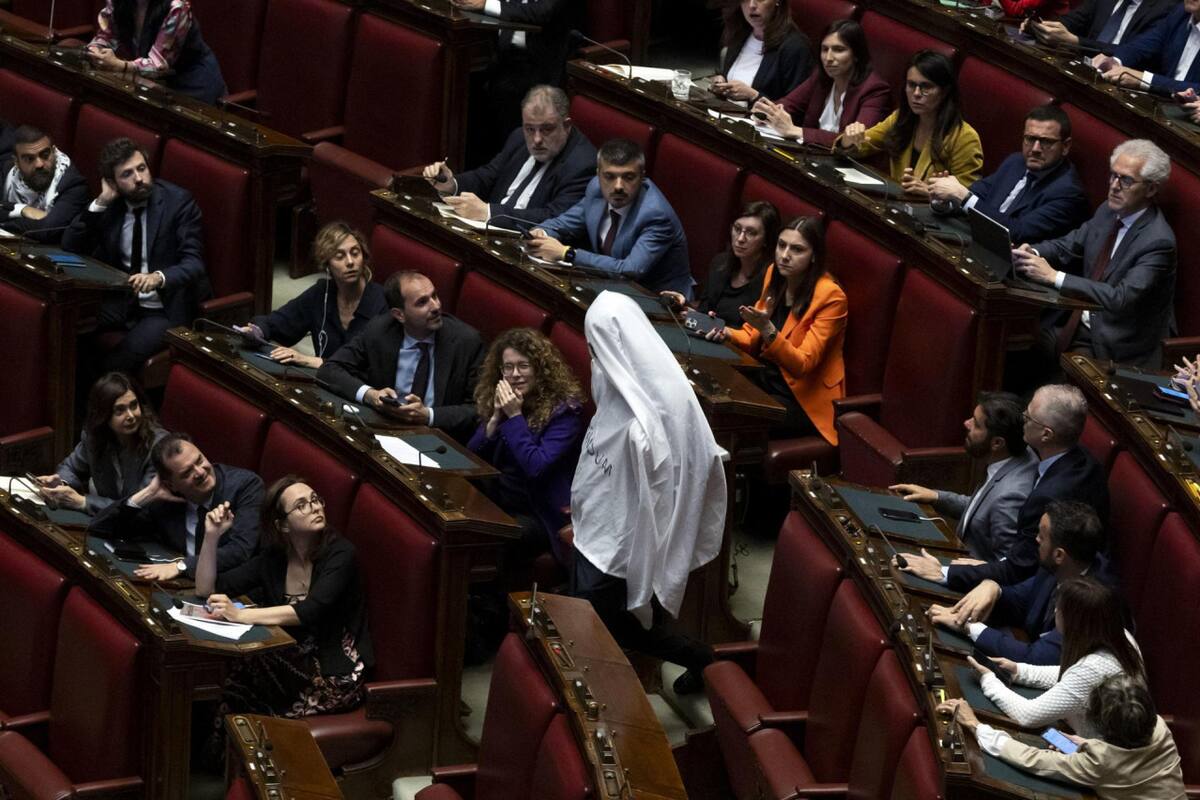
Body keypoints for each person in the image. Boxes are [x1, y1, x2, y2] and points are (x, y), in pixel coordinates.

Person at [569, 291, 727, 694]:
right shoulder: (617, 376)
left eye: (595, 344)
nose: (592, 354)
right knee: (605, 628)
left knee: (617, 632)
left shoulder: (648, 422)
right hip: (593, 531)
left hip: (617, 549)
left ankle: (706, 665)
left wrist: (642, 573)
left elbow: (653, 505)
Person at [196, 475, 372, 718]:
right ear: (283, 525)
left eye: (315, 499)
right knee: (225, 691)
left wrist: (241, 615)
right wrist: (212, 536)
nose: (315, 507)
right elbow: (207, 589)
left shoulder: (341, 553)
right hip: (289, 662)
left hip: (332, 674)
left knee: (236, 689)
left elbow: (310, 610)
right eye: (302, 505)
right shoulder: (275, 558)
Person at [1013, 139, 1175, 370]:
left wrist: (1053, 276)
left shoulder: (1159, 242)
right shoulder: (1108, 211)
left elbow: (1120, 298)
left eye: (1126, 180)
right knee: (1012, 346)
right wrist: (1032, 251)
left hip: (1115, 344)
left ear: (1151, 189)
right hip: (1077, 323)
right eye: (1113, 175)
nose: (1114, 186)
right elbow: (1069, 245)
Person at [63, 137, 211, 374]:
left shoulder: (178, 203)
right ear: (112, 182)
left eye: (141, 169)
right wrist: (100, 202)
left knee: (116, 362)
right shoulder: (112, 204)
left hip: (163, 308)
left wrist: (158, 277)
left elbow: (194, 264)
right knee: (63, 324)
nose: (139, 178)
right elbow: (70, 246)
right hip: (123, 299)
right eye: (127, 174)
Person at [945, 384, 1109, 594]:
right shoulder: (1083, 459)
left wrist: (946, 572)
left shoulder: (1049, 495)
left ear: (1046, 435)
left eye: (1029, 417)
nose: (1022, 418)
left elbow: (1020, 568)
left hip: (1049, 594)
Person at [708, 217, 846, 445]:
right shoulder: (775, 273)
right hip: (764, 379)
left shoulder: (831, 297)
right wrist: (726, 333)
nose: (784, 255)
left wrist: (768, 329)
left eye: (797, 249)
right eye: (781, 245)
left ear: (814, 256)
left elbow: (802, 364)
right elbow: (752, 334)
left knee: (724, 419)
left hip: (800, 399)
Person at [942, 675, 1187, 800]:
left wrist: (976, 725)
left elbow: (1031, 758)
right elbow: (1126, 760)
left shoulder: (1099, 763)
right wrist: (1088, 746)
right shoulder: (1159, 728)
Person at [928, 501, 1110, 666]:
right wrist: (992, 587)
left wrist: (968, 627)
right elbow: (1019, 601)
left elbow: (1038, 658)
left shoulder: (1093, 601)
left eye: (1042, 536)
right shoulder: (1061, 567)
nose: (1036, 540)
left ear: (1059, 555)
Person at [962, 577, 1144, 738]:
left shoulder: (1094, 668)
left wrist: (989, 680)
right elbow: (1071, 673)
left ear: (1073, 621)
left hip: (1094, 759)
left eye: (1059, 608)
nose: (1056, 610)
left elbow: (1028, 715)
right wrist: (1020, 671)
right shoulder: (1121, 636)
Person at [317, 270, 485, 442]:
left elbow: (479, 409)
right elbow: (330, 370)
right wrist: (371, 395)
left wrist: (428, 415)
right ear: (399, 314)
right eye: (422, 302)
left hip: (436, 438)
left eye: (434, 296)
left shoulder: (467, 342)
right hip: (383, 428)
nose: (435, 306)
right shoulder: (380, 331)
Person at [467, 328, 585, 565]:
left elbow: (536, 466)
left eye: (524, 366)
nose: (515, 374)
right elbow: (472, 458)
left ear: (540, 369)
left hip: (538, 512)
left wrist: (513, 418)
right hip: (501, 498)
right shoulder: (506, 400)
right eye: (508, 367)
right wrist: (493, 421)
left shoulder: (565, 412)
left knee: (494, 537)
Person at [528, 138, 694, 298]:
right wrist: (541, 233)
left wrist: (567, 253)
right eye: (610, 176)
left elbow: (630, 271)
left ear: (642, 176)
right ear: (598, 174)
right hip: (608, 286)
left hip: (658, 300)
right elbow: (563, 224)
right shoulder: (596, 190)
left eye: (628, 177)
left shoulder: (656, 215)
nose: (618, 186)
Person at [89, 431, 263, 581]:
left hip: (226, 588)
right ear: (170, 484)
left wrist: (181, 566)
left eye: (200, 460)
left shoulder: (244, 486)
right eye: (187, 472)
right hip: (176, 584)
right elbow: (100, 527)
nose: (200, 472)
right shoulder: (165, 499)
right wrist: (148, 493)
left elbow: (240, 550)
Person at [891, 392, 1038, 564]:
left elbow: (1007, 570)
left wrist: (945, 572)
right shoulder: (1019, 456)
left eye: (976, 424)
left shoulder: (1008, 497)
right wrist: (936, 497)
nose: (966, 423)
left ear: (997, 443)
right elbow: (982, 511)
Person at [421, 85, 596, 226]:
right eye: (530, 129)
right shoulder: (519, 137)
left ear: (566, 125)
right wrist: (451, 185)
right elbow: (488, 176)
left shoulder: (583, 164)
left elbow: (554, 218)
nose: (536, 139)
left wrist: (488, 213)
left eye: (546, 129)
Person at [928, 105, 1090, 245]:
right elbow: (977, 195)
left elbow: (1018, 231)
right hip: (977, 243)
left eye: (1046, 142)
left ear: (1066, 146)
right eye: (1030, 139)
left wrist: (961, 195)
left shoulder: (1068, 193)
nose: (1035, 148)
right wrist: (945, 202)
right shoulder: (1016, 162)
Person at [237, 221, 387, 369]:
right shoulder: (321, 293)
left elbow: (368, 367)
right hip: (322, 382)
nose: (350, 262)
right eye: (339, 256)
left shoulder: (382, 302)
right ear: (327, 265)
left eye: (355, 253)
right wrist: (256, 331)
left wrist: (310, 361)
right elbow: (277, 323)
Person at [836, 50, 983, 198]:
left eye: (926, 87)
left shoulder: (964, 138)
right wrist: (848, 141)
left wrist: (930, 192)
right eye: (911, 85)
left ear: (944, 92)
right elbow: (863, 145)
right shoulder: (901, 119)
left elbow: (967, 200)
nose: (917, 93)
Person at [32, 372, 167, 515]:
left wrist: (83, 502)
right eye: (120, 410)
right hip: (105, 522)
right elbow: (69, 468)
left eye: (134, 406)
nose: (131, 416)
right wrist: (60, 484)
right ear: (103, 415)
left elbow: (140, 509)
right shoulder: (94, 437)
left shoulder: (158, 447)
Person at [751, 19, 893, 147]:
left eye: (838, 50)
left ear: (856, 55)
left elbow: (858, 141)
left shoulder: (875, 90)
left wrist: (795, 131)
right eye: (825, 49)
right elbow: (788, 105)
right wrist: (767, 113)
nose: (828, 58)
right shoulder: (821, 78)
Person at [660, 200, 780, 328]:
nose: (740, 239)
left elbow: (751, 336)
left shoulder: (770, 281)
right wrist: (682, 305)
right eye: (737, 229)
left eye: (751, 233)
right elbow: (704, 313)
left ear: (767, 240)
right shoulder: (720, 263)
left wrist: (712, 326)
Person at [85, 0, 227, 104]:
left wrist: (120, 65)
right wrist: (95, 51)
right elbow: (106, 36)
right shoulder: (118, 2)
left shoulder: (177, 7)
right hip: (155, 84)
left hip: (192, 87)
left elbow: (158, 65)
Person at [711, 0, 813, 103]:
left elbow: (795, 108)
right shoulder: (739, 32)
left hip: (755, 118)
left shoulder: (796, 47)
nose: (751, 5)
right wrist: (721, 81)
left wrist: (753, 96)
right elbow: (729, 74)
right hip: (725, 113)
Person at [0, 125, 88, 243]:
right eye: (29, 159)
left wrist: (5, 217)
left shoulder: (73, 185)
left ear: (54, 152)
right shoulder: (6, 170)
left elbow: (47, 231)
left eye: (45, 155)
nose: (39, 164)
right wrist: (23, 210)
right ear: (16, 162)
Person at [1091, 0, 1200, 95]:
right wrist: (1115, 60)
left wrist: (1143, 79)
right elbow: (1144, 43)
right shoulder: (1181, 13)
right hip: (1165, 103)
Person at [1022, 0, 1173, 55]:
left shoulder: (1165, 8)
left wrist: (1076, 42)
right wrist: (1043, 27)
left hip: (1119, 82)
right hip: (1080, 67)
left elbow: (1133, 52)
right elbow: (1073, 20)